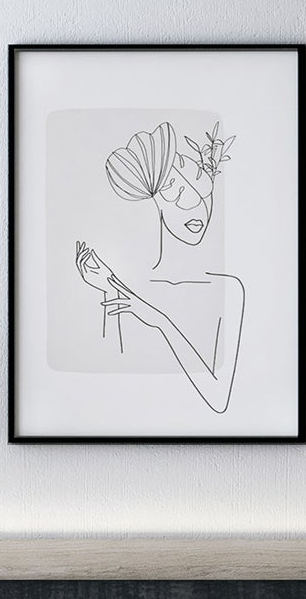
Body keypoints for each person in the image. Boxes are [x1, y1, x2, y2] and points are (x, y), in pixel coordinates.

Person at [75, 121, 244, 415]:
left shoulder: (228, 289)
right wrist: (108, 288)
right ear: (154, 203)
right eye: (174, 191)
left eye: (202, 187)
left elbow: (219, 400)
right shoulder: (128, 290)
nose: (196, 205)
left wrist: (161, 321)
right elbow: (106, 387)